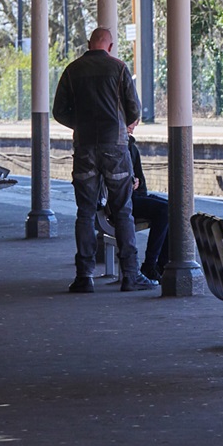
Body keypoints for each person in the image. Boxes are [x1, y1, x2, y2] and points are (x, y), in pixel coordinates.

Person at [52, 27, 156, 293]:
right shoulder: (119, 69)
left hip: (85, 147)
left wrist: (82, 124)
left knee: (85, 212)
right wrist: (117, 124)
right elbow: (134, 109)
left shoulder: (72, 69)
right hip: (115, 148)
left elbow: (58, 111)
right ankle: (130, 275)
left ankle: (84, 276)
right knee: (123, 211)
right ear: (110, 47)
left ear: (89, 44)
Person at [127, 129, 170, 281]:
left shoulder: (131, 147)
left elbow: (140, 179)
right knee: (165, 210)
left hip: (135, 196)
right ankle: (150, 265)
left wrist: (136, 183)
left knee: (172, 208)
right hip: (122, 201)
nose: (134, 125)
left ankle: (162, 264)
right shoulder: (115, 147)